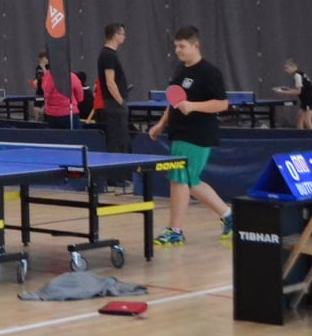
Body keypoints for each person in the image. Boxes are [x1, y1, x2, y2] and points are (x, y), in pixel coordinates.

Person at [148, 26, 234, 246]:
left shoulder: (209, 72)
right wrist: (161, 124)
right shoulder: (180, 70)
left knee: (179, 178)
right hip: (179, 132)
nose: (178, 50)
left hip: (197, 134)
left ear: (196, 45)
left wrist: (193, 106)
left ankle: (175, 230)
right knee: (191, 181)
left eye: (182, 46)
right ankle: (229, 217)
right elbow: (173, 102)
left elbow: (222, 104)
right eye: (176, 46)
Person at [93, 23, 131, 188]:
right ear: (115, 35)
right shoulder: (108, 55)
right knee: (116, 141)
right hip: (114, 105)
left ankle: (119, 176)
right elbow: (110, 82)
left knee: (120, 140)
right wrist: (120, 101)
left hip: (114, 104)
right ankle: (114, 178)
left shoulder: (109, 54)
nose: (124, 37)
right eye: (122, 34)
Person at [37, 51, 84, 128]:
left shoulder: (47, 77)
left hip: (51, 114)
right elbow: (80, 97)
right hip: (69, 112)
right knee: (76, 135)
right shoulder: (72, 77)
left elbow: (46, 94)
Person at [274, 59, 312, 131]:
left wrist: (283, 92)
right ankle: (300, 136)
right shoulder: (300, 74)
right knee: (299, 120)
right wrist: (288, 89)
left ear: (294, 67)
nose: (286, 70)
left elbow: (298, 92)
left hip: (310, 101)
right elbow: (301, 89)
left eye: (287, 68)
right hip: (305, 101)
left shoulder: (297, 75)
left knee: (307, 121)